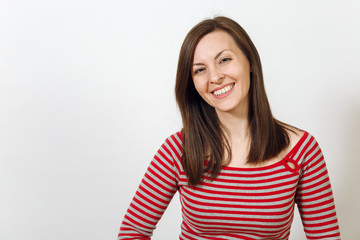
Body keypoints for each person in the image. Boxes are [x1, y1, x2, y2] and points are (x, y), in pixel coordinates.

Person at [118, 16, 340, 240]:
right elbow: (133, 231)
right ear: (192, 84)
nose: (215, 77)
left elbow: (325, 236)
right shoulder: (177, 149)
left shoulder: (303, 150)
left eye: (224, 60)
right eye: (199, 70)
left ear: (250, 62)